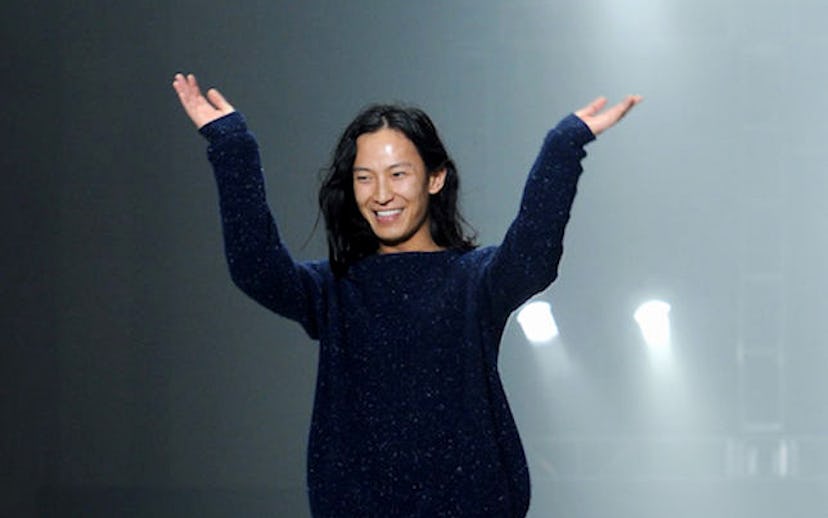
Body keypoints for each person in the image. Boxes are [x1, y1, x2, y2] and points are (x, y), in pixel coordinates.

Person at [172, 72, 640, 517]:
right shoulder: (334, 289)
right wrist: (231, 144)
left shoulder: (475, 281)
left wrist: (564, 146)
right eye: (364, 177)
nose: (380, 194)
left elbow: (533, 254)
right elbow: (257, 267)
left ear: (435, 179)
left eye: (398, 174)